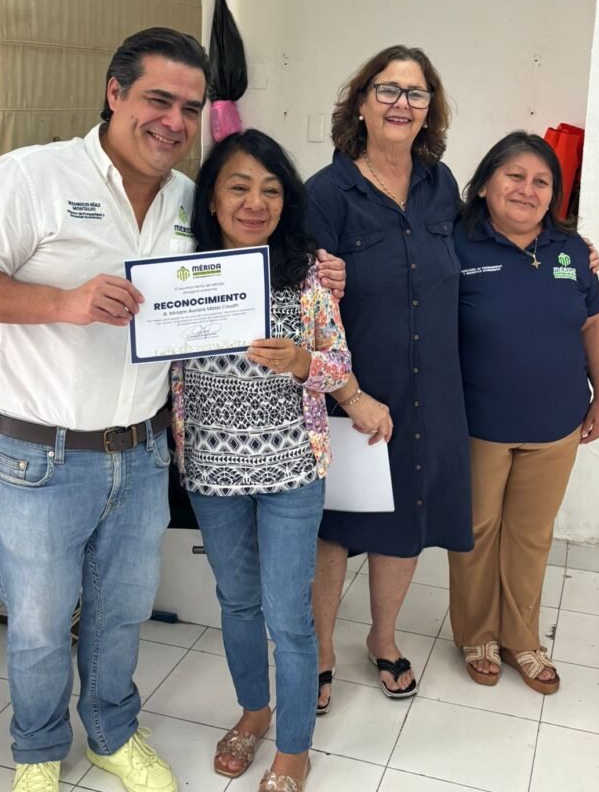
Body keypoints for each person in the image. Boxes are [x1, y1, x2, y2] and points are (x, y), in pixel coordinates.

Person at [0, 27, 211, 792]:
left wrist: (312, 277)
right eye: (158, 99)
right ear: (115, 93)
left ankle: (113, 733)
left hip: (141, 452)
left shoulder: (189, 200)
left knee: (121, 614)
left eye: (190, 108)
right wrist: (64, 302)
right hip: (39, 453)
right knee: (42, 624)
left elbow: (215, 296)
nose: (174, 122)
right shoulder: (31, 176)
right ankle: (38, 752)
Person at [170, 129, 390, 792]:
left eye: (270, 190)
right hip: (210, 468)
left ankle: (295, 746)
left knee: (288, 611)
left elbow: (339, 364)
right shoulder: (180, 270)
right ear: (212, 198)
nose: (254, 202)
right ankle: (253, 712)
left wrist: (302, 362)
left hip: (292, 468)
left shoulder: (307, 272)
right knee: (236, 601)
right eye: (238, 187)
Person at [305, 45, 474, 710]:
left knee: (408, 517)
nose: (402, 103)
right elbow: (302, 298)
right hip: (354, 392)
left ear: (430, 108)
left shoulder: (440, 184)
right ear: (362, 103)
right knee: (335, 528)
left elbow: (478, 245)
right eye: (388, 90)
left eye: (416, 92)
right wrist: (348, 392)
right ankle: (321, 649)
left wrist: (568, 245)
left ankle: (383, 637)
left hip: (432, 389)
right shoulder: (327, 193)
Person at [448, 131, 599, 693]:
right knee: (476, 532)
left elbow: (593, 322)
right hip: (479, 424)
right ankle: (476, 634)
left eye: (542, 181)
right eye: (514, 176)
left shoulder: (572, 251)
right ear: (486, 184)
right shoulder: (456, 243)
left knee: (531, 535)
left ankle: (522, 638)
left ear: (554, 194)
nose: (527, 189)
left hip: (556, 423)